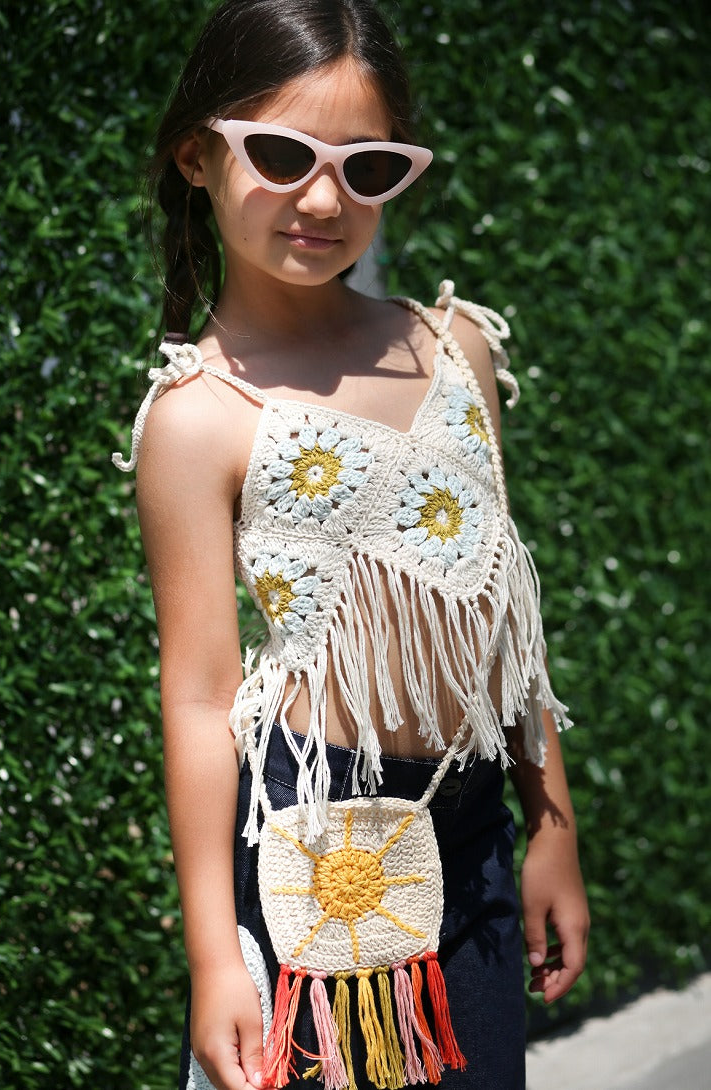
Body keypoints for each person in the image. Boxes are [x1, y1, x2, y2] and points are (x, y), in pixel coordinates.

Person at [113, 2, 589, 1088]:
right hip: (315, 844)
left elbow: (500, 607)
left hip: (476, 841)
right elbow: (199, 693)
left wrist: (550, 824)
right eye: (281, 155)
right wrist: (212, 958)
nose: (324, 199)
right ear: (197, 156)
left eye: (366, 167)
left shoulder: (454, 347)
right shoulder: (198, 418)